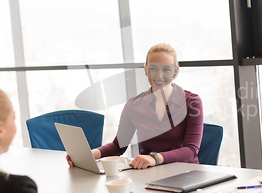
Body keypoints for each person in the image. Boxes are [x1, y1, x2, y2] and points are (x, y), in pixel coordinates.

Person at [67, 43, 204, 169]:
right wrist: (88, 155)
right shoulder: (134, 105)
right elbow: (117, 146)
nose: (159, 75)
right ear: (146, 70)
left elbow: (191, 150)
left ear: (175, 71)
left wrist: (154, 158)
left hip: (185, 173)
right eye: (153, 68)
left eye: (166, 69)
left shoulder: (192, 102)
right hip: (149, 173)